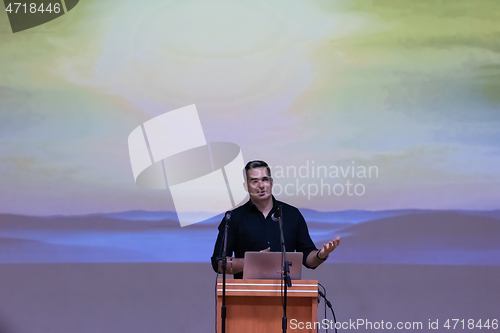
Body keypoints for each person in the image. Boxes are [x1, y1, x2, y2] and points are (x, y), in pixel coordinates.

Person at [211, 160, 340, 278]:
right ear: (246, 186)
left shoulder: (292, 214)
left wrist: (320, 255)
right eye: (255, 181)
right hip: (247, 295)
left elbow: (308, 258)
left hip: (286, 295)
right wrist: (252, 262)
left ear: (271, 183)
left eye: (265, 179)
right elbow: (218, 262)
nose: (261, 185)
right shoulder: (233, 218)